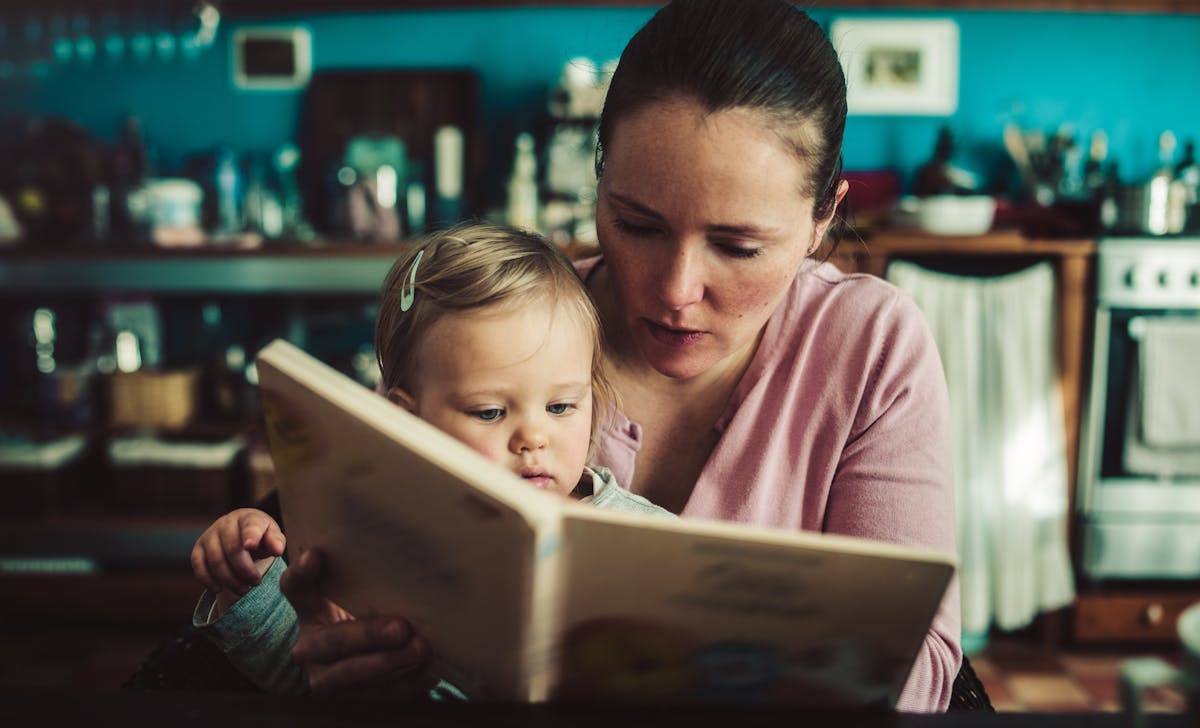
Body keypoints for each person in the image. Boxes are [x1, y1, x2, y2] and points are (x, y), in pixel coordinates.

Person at [275, 0, 961, 713]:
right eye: (638, 225)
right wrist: (347, 656)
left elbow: (917, 675)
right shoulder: (497, 329)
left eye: (737, 247)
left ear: (823, 218)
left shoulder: (871, 345)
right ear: (599, 184)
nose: (675, 290)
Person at [186, 222, 674, 696]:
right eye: (489, 412)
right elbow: (302, 674)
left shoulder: (652, 540)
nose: (533, 437)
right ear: (408, 419)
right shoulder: (374, 543)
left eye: (561, 406)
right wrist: (247, 583)